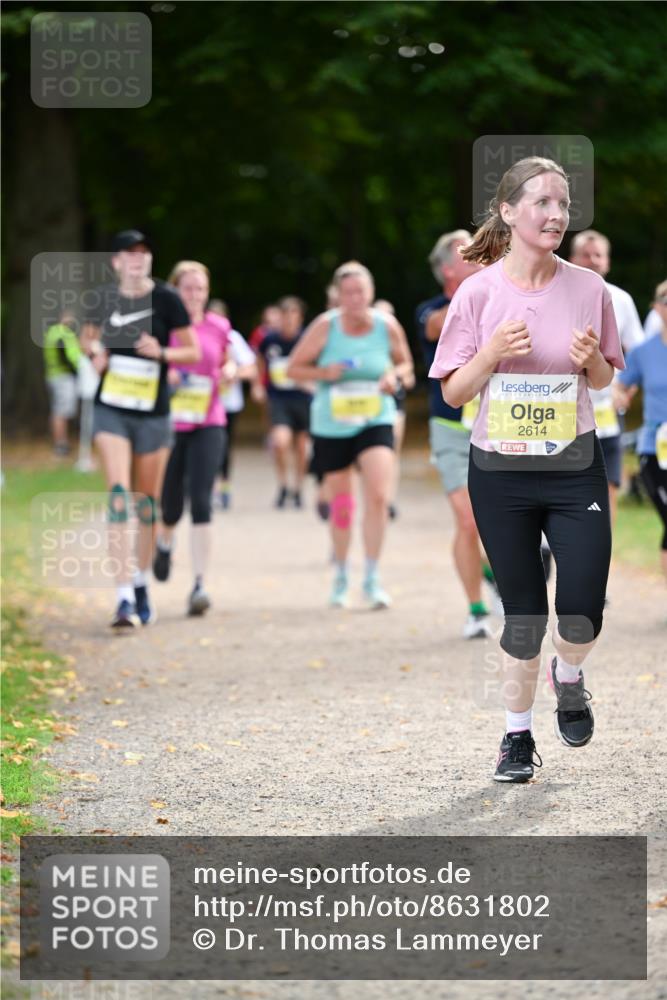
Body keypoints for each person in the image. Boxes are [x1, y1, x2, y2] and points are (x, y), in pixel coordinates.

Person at [429, 157, 624, 783]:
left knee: (583, 609)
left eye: (563, 204)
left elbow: (605, 378)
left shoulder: (589, 288)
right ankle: (516, 738)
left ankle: (568, 674)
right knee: (523, 615)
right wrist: (490, 353)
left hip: (574, 469)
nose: (557, 215)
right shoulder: (478, 292)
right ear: (508, 212)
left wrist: (593, 360)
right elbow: (454, 394)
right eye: (542, 202)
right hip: (501, 473)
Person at [81, 230, 200, 628]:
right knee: (119, 495)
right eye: (130, 254)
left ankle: (140, 580)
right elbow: (86, 338)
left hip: (153, 411)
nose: (137, 259)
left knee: (146, 501)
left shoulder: (167, 299)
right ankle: (122, 599)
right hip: (111, 407)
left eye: (144, 253)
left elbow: (193, 350)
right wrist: (96, 353)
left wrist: (162, 351)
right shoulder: (102, 297)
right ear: (116, 262)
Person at [288, 261, 414, 609]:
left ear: (371, 293)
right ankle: (342, 573)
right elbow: (292, 368)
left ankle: (372, 577)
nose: (355, 298)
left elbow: (407, 366)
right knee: (342, 504)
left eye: (361, 291)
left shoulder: (385, 326)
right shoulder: (325, 327)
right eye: (348, 292)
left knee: (377, 494)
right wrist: (323, 372)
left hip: (375, 418)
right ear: (338, 296)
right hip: (333, 424)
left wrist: (395, 376)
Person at [417, 230, 504, 638]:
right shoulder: (433, 310)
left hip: (497, 424)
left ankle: (498, 572)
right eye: (468, 253)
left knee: (499, 522)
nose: (480, 256)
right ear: (447, 269)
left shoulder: (502, 299)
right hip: (451, 429)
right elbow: (437, 327)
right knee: (469, 521)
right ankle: (476, 610)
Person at [152, 261, 233, 615]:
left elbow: (232, 361)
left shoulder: (219, 326)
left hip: (209, 420)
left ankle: (200, 584)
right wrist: (165, 373)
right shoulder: (163, 326)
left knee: (202, 499)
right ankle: (165, 541)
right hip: (169, 424)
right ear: (174, 290)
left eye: (201, 288)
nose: (195, 295)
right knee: (171, 505)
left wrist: (229, 370)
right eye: (188, 288)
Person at [569, 230, 645, 525]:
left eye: (598, 255)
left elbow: (637, 354)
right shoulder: (558, 295)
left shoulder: (621, 300)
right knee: (567, 482)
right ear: (573, 259)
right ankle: (552, 547)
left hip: (607, 409)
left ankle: (602, 555)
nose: (592, 261)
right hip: (565, 408)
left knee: (609, 484)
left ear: (608, 262)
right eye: (585, 255)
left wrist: (626, 391)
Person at [614, 279, 667, 585]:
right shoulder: (643, 352)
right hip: (655, 449)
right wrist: (621, 396)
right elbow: (621, 385)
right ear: (657, 308)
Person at [255, 296, 312, 508]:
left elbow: (319, 363)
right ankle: (283, 485)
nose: (289, 319)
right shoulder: (270, 340)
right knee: (280, 442)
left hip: (303, 399)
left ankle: (298, 488)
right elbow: (259, 361)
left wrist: (309, 380)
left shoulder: (307, 339)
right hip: (279, 399)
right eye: (285, 315)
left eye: (293, 315)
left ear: (300, 317)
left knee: (303, 448)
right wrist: (258, 384)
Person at [374, 299, 410, 520]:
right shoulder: (364, 342)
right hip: (367, 406)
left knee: (392, 453)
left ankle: (389, 500)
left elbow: (410, 378)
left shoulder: (397, 342)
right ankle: (376, 496)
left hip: (394, 403)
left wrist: (395, 377)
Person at [216, 327, 259, 509]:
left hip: (228, 404)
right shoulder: (191, 331)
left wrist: (234, 374)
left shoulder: (232, 337)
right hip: (199, 404)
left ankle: (224, 486)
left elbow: (251, 368)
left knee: (223, 446)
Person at [43, 308, 82, 456]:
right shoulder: (61, 333)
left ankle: (61, 442)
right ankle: (60, 444)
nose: (71, 318)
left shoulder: (52, 332)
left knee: (59, 410)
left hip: (54, 374)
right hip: (63, 375)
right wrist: (76, 371)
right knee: (61, 411)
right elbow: (65, 355)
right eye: (69, 315)